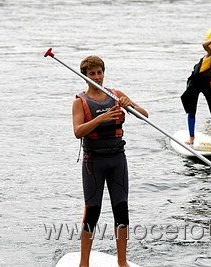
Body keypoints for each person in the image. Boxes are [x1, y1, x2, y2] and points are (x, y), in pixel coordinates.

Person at [72, 55, 148, 267]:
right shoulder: (80, 102)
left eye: (100, 72)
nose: (97, 77)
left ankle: (122, 262)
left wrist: (129, 105)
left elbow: (145, 115)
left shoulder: (116, 95)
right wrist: (100, 119)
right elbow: (78, 132)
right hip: (93, 162)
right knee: (93, 210)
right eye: (92, 74)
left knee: (121, 208)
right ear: (85, 77)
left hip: (117, 160)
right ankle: (83, 263)